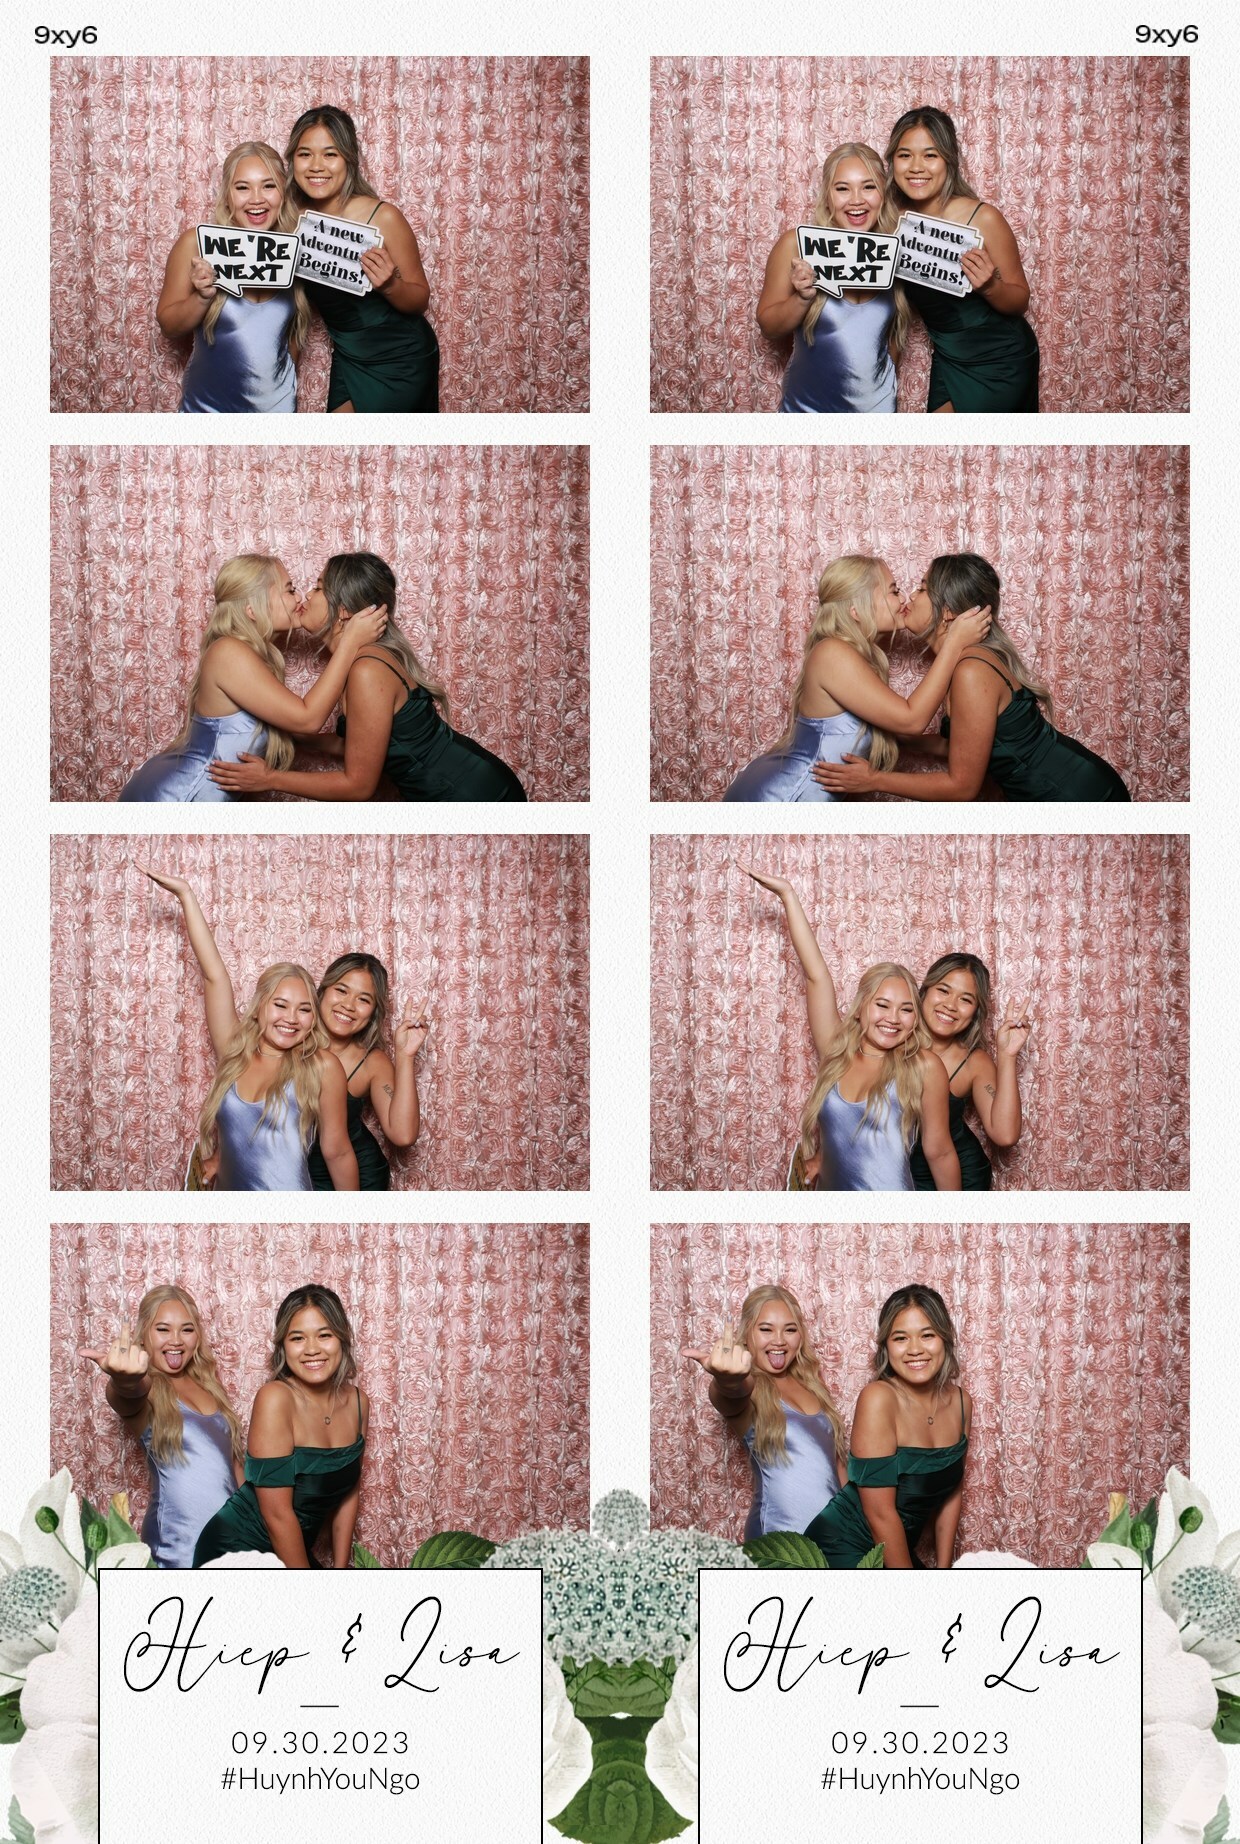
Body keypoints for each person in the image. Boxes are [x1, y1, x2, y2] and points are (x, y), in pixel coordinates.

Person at [208, 553, 527, 801]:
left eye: (318, 588)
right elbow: (365, 746)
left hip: (471, 793)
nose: (306, 595)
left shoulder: (366, 669)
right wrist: (290, 736)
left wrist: (270, 778)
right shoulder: (359, 662)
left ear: (343, 611)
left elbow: (359, 786)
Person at [816, 554, 1131, 800]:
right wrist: (892, 737)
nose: (909, 596)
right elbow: (969, 746)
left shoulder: (970, 670)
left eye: (922, 588)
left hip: (1076, 794)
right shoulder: (964, 662)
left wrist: (874, 779)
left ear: (948, 611)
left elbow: (962, 787)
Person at [742, 867, 959, 1191]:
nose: (893, 1018)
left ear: (915, 1019)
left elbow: (939, 1152)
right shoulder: (837, 1051)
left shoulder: (924, 1066)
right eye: (882, 1005)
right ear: (859, 1009)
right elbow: (816, 975)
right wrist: (788, 895)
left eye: (906, 1009)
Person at [140, 868, 358, 1191]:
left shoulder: (322, 1066)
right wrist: (186, 895)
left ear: (313, 1018)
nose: (291, 1018)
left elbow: (337, 1152)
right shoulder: (235, 1051)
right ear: (258, 1008)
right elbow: (214, 974)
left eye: (304, 1009)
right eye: (280, 1005)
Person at [118, 554, 390, 802]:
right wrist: (350, 642)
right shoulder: (229, 652)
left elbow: (301, 732)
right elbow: (307, 719)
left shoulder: (250, 655)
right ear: (252, 609)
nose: (300, 598)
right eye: (289, 590)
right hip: (176, 796)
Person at [722, 555, 991, 801]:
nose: (903, 599)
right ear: (856, 610)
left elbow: (902, 735)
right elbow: (911, 720)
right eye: (893, 591)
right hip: (783, 796)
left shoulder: (854, 655)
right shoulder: (833, 653)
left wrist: (982, 752)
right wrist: (954, 642)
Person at [194, 1286, 368, 1568]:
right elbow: (277, 1515)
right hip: (238, 1548)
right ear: (283, 1346)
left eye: (324, 1335)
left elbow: (348, 1492)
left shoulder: (359, 1403)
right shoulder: (275, 1398)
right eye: (297, 1338)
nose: (312, 1349)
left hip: (291, 1547)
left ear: (342, 1338)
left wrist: (340, 1569)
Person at [285, 106, 438, 412]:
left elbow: (420, 298)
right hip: (349, 354)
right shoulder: (289, 222)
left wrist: (390, 285)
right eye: (305, 154)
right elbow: (287, 307)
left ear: (349, 159)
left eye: (330, 154)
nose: (316, 166)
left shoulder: (383, 217)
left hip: (400, 356)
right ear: (293, 160)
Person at [806, 1286, 971, 1568]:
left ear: (945, 1338)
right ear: (886, 1346)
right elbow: (880, 1514)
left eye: (927, 1335)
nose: (915, 1349)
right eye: (900, 1338)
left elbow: (951, 1492)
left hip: (894, 1547)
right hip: (842, 1546)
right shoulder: (878, 1398)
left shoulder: (962, 1402)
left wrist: (945, 1571)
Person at [886, 108, 1039, 412]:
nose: (916, 167)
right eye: (905, 155)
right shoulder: (890, 222)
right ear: (892, 161)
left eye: (930, 155)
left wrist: (990, 286)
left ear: (949, 160)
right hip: (949, 356)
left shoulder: (983, 218)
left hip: (1000, 358)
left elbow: (1020, 299)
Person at [79, 1286, 241, 1568]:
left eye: (187, 1329)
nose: (176, 1340)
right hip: (178, 1544)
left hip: (231, 1540)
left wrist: (257, 1528)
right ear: (144, 1334)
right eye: (163, 1329)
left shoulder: (211, 1387)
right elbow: (127, 1394)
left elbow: (235, 1467)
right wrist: (125, 1380)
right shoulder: (149, 1387)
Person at [156, 142, 310, 414]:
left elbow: (292, 334)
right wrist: (203, 297)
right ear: (227, 195)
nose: (256, 199)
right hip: (208, 410)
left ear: (283, 193)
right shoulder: (197, 244)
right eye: (242, 187)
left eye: (269, 186)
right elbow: (169, 326)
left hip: (278, 412)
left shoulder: (296, 249)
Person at [682, 1286, 845, 1540]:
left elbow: (837, 1465)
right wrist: (727, 1380)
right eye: (766, 1329)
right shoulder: (750, 1386)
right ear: (747, 1333)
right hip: (778, 1536)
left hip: (834, 1536)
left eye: (790, 1329)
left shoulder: (814, 1385)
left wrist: (855, 1526)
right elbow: (731, 1394)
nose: (779, 1340)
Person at [757, 144, 908, 413]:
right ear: (827, 196)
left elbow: (894, 333)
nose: (856, 200)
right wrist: (803, 298)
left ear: (883, 194)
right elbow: (769, 327)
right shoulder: (797, 245)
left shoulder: (895, 250)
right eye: (842, 188)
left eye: (868, 187)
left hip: (878, 412)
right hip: (808, 410)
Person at [309, 954, 428, 1190]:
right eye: (341, 990)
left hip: (360, 1179)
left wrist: (405, 1055)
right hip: (295, 1176)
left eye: (363, 999)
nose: (348, 1005)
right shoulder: (290, 1039)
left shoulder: (371, 1062)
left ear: (373, 1012)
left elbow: (403, 1135)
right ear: (322, 991)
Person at [911, 954, 1029, 1190]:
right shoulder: (891, 1039)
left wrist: (1007, 1055)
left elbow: (1005, 1135)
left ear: (975, 1011)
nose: (950, 1005)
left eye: (965, 999)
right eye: (943, 990)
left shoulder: (973, 1061)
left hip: (962, 1178)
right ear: (924, 991)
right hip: (897, 1176)